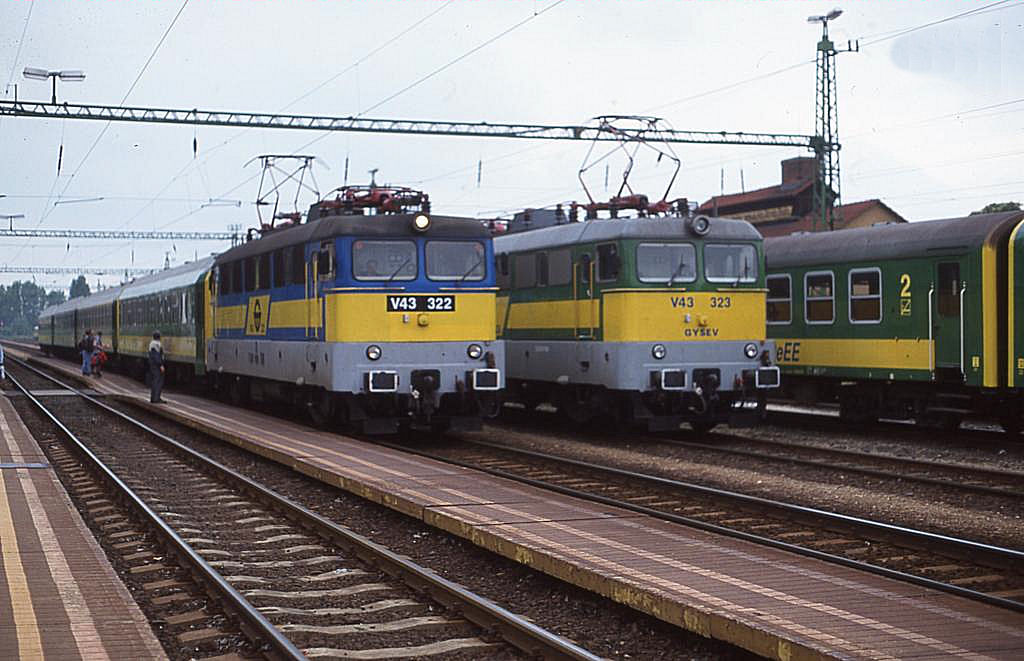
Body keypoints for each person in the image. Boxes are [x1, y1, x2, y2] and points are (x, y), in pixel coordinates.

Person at [148, 331, 165, 403]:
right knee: (157, 381)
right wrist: (160, 365)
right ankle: (156, 398)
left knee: (155, 381)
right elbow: (156, 356)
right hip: (156, 365)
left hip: (153, 365)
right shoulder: (156, 344)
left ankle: (154, 397)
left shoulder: (152, 343)